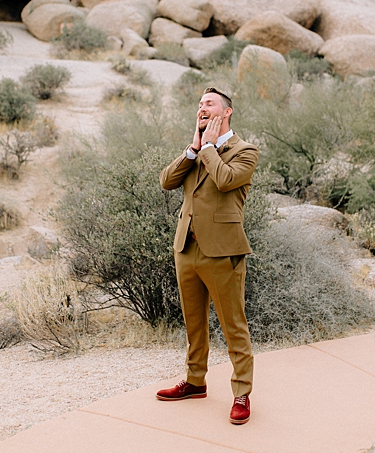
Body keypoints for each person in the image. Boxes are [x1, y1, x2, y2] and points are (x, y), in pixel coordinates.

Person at [155, 87, 260, 425]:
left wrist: (211, 147)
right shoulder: (198, 149)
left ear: (226, 112)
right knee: (194, 322)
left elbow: (226, 179)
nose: (202, 108)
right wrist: (193, 149)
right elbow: (167, 181)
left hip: (223, 252)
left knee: (234, 326)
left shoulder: (245, 151)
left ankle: (242, 393)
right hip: (187, 247)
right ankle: (195, 381)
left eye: (209, 104)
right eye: (199, 104)